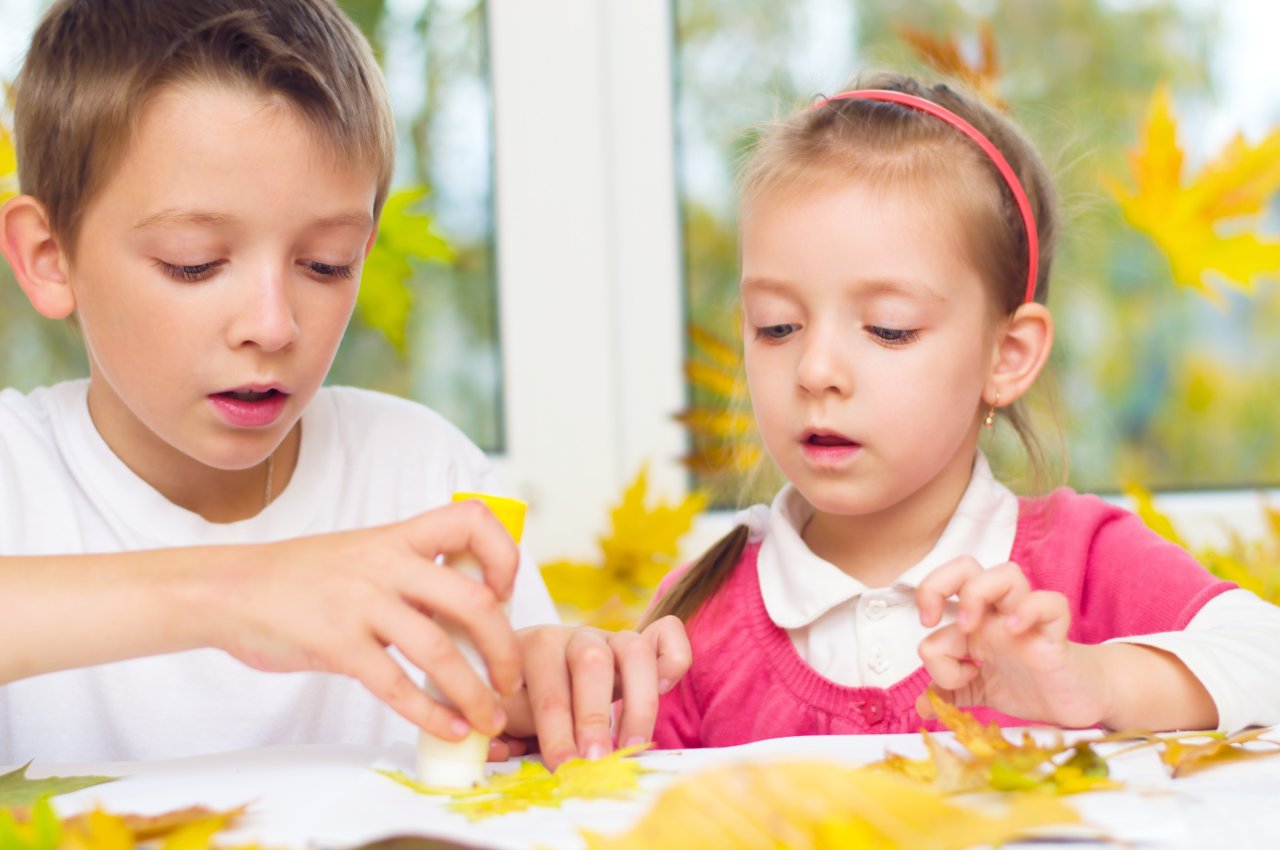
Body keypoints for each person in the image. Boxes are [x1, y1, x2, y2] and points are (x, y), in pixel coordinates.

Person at [0, 0, 688, 768]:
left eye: (326, 263)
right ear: (48, 257)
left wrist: (536, 700)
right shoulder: (14, 477)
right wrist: (230, 590)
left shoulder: (422, 474)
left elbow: (501, 767)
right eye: (193, 261)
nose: (273, 324)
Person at [646, 72, 1280, 748]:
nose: (815, 371)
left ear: (1006, 356)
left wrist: (1096, 679)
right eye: (776, 327)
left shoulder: (1085, 562)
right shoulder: (695, 618)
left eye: (889, 328)